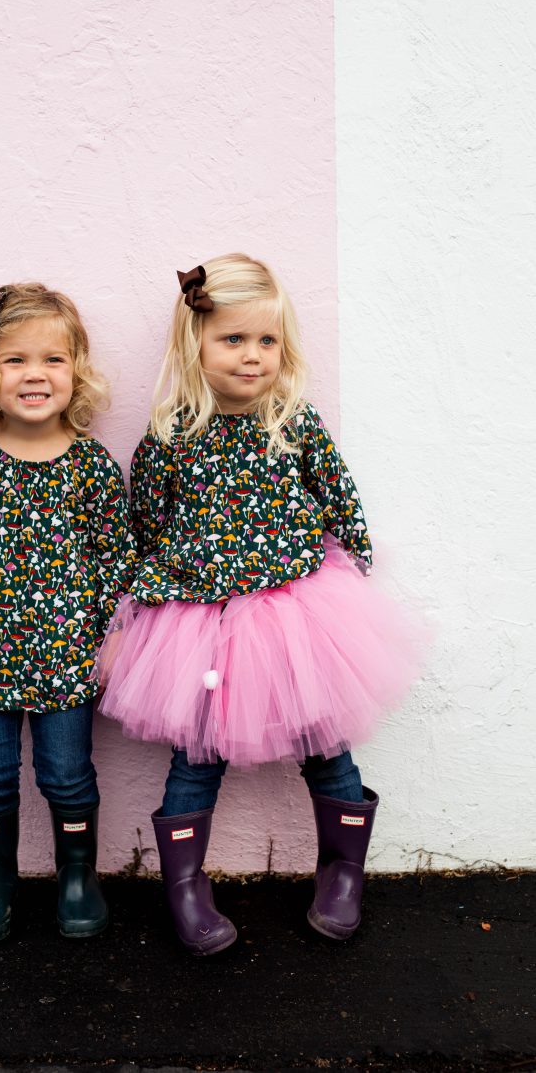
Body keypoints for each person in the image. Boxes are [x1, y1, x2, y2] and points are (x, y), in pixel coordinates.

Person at [97, 254, 422, 956]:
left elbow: (338, 495)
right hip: (201, 623)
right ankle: (184, 887)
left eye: (266, 341)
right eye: (233, 339)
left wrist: (356, 565)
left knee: (326, 744)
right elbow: (145, 521)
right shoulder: (171, 434)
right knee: (195, 756)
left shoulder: (294, 422)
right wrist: (149, 593)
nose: (252, 356)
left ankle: (342, 871)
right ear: (197, 343)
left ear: (284, 349)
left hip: (295, 613)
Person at [0, 283, 136, 943]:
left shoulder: (91, 467)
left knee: (67, 773)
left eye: (53, 359)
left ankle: (76, 875)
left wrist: (116, 634)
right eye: (16, 360)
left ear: (76, 370)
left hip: (69, 659)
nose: (35, 373)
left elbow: (116, 558)